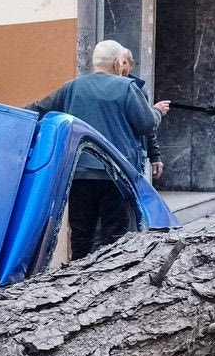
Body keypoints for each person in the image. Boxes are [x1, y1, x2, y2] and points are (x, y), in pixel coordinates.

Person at [28, 40, 167, 258]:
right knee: (114, 236)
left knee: (82, 234)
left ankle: (77, 280)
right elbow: (146, 124)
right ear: (117, 63)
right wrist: (157, 111)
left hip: (80, 174)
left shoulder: (73, 87)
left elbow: (38, 109)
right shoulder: (127, 88)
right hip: (116, 176)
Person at [120, 48, 164, 182]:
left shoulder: (137, 90)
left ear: (131, 65)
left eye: (124, 63)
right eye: (118, 62)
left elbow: (147, 126)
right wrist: (157, 111)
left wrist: (155, 156)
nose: (120, 67)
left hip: (135, 157)